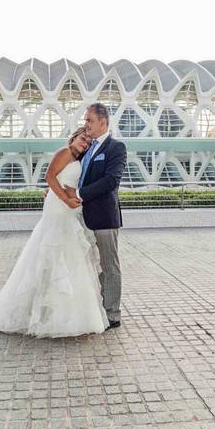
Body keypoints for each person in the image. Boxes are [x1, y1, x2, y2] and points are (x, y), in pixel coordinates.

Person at [0, 125, 109, 338]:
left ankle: (61, 311)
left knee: (66, 255)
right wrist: (66, 199)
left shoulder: (78, 160)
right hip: (58, 208)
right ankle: (41, 312)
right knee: (53, 249)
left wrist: (67, 197)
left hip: (66, 209)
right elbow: (50, 177)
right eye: (81, 138)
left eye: (87, 142)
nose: (84, 143)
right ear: (74, 137)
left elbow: (59, 182)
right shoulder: (65, 152)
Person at [73, 103, 127, 330]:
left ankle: (112, 314)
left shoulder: (116, 147)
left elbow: (111, 181)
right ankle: (94, 308)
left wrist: (78, 193)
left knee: (109, 266)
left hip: (104, 218)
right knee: (87, 266)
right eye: (85, 120)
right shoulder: (86, 148)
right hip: (81, 218)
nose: (86, 125)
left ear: (103, 122)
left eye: (89, 121)